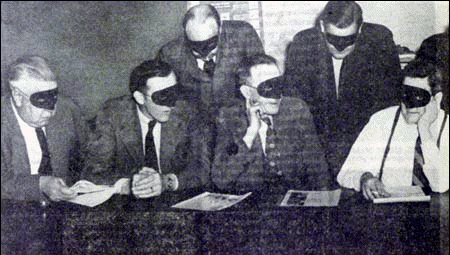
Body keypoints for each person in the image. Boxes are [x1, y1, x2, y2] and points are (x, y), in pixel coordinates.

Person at [284, 1, 403, 177]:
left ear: (360, 29)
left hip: (366, 144)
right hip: (318, 146)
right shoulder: (303, 45)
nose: (340, 47)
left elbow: (388, 105)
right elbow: (296, 109)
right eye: (333, 39)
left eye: (348, 40)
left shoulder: (379, 42)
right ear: (322, 27)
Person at [82, 59, 212, 198]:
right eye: (162, 96)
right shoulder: (112, 115)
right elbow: (92, 171)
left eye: (174, 92)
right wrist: (128, 185)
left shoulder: (188, 111)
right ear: (140, 98)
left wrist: (166, 182)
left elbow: (203, 167)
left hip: (174, 199)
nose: (172, 104)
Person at [211, 54, 333, 194]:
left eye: (279, 85)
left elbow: (319, 171)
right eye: (267, 88)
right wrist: (251, 133)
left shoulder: (296, 110)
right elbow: (221, 180)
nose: (277, 96)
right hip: (251, 208)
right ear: (247, 92)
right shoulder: (229, 118)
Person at [337, 63, 449, 200]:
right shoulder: (382, 121)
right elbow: (345, 173)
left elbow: (442, 184)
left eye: (419, 97)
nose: (409, 105)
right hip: (392, 215)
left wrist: (425, 132)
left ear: (436, 100)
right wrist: (364, 178)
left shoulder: (447, 127)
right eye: (405, 95)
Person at [1, 55, 88, 204]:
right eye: (41, 101)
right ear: (17, 95)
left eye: (53, 99)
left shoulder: (68, 110)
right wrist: (40, 184)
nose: (50, 112)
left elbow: (90, 155)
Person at [157, 3, 265, 112]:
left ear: (220, 29)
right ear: (185, 35)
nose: (203, 52)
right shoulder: (169, 55)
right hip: (194, 121)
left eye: (209, 44)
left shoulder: (243, 36)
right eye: (196, 45)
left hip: (239, 117)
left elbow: (261, 83)